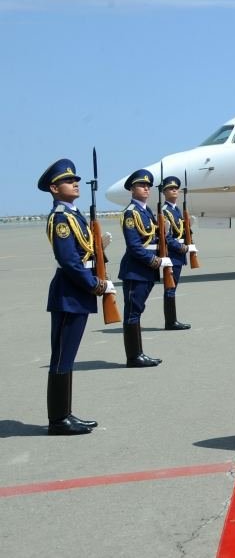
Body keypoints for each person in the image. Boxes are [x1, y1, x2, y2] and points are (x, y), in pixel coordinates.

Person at [38, 158, 115, 435]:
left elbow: (82, 252)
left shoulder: (75, 215)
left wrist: (98, 249)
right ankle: (58, 420)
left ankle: (65, 414)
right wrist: (95, 285)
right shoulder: (61, 218)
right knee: (62, 357)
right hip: (69, 293)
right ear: (54, 188)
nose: (75, 183)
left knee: (67, 356)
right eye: (68, 181)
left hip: (77, 292)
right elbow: (69, 261)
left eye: (75, 180)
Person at [118, 169, 166, 368]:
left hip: (146, 269)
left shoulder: (146, 211)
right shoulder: (131, 213)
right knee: (133, 313)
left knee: (137, 311)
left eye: (148, 186)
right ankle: (134, 356)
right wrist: (156, 261)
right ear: (132, 189)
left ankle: (139, 354)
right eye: (141, 185)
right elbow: (134, 246)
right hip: (136, 270)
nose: (146, 188)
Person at [159, 176, 195, 330]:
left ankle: (172, 320)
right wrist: (182, 248)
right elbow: (166, 237)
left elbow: (181, 231)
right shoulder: (164, 211)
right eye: (170, 189)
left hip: (178, 254)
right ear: (164, 192)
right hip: (173, 254)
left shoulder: (176, 210)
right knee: (170, 287)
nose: (174, 191)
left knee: (172, 287)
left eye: (176, 188)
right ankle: (170, 321)